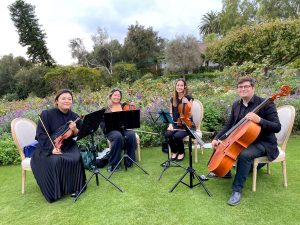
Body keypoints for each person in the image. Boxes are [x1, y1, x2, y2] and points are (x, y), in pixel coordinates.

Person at [209, 77, 281, 206]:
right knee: (220, 145)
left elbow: (277, 127)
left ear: (253, 88)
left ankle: (237, 190)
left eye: (246, 86)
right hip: (245, 140)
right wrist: (217, 138)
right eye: (240, 87)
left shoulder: (266, 103)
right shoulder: (237, 104)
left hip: (263, 142)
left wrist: (259, 120)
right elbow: (229, 124)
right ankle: (224, 172)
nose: (243, 89)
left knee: (244, 155)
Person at [30, 89, 86, 203]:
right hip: (48, 146)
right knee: (55, 160)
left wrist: (74, 129)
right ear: (57, 101)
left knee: (76, 157)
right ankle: (56, 191)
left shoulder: (74, 116)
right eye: (63, 98)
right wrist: (51, 149)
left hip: (68, 145)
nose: (67, 101)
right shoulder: (47, 114)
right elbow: (41, 134)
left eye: (69, 99)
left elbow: (79, 134)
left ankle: (74, 187)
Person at [100, 88, 137, 172]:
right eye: (115, 95)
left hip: (123, 129)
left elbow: (130, 118)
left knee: (131, 134)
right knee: (118, 136)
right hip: (111, 131)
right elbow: (102, 124)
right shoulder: (105, 108)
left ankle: (129, 161)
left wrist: (132, 108)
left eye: (119, 96)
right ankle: (114, 164)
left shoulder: (124, 105)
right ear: (111, 96)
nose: (117, 97)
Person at [166, 78, 195, 162]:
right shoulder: (173, 99)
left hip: (187, 124)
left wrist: (188, 104)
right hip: (176, 123)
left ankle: (181, 152)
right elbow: (171, 113)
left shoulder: (189, 98)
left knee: (177, 136)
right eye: (178, 85)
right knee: (168, 134)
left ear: (185, 87)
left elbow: (190, 114)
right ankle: (174, 152)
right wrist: (170, 124)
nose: (179, 87)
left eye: (181, 85)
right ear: (175, 86)